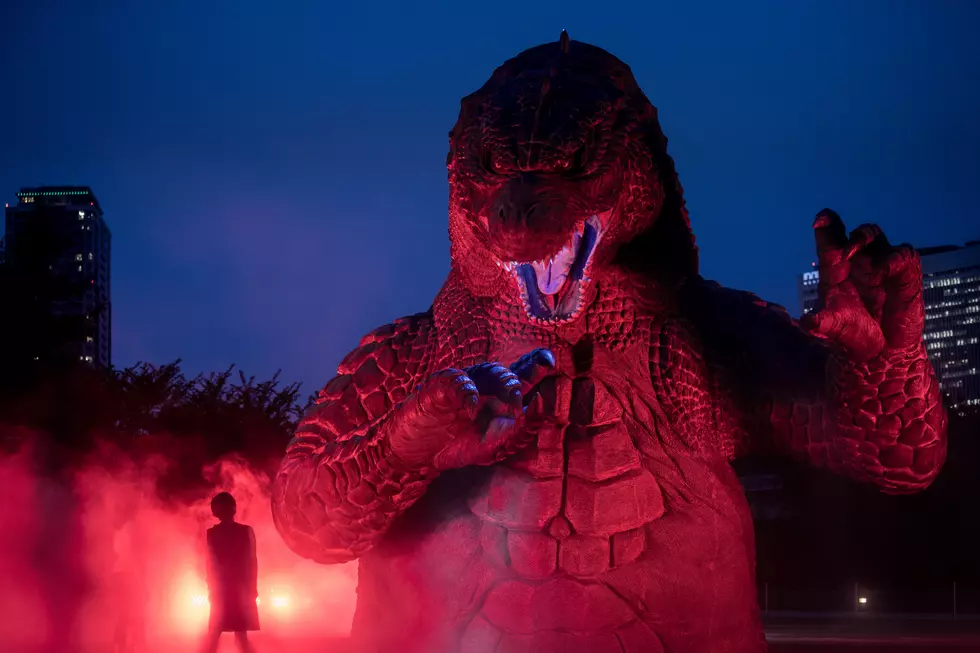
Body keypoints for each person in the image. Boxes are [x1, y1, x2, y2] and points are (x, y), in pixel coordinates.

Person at [201, 492, 259, 653]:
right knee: (238, 634)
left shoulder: (213, 534)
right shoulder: (245, 531)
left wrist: (212, 588)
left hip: (227, 589)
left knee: (218, 633)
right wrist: (252, 588)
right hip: (234, 589)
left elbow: (211, 564)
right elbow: (252, 561)